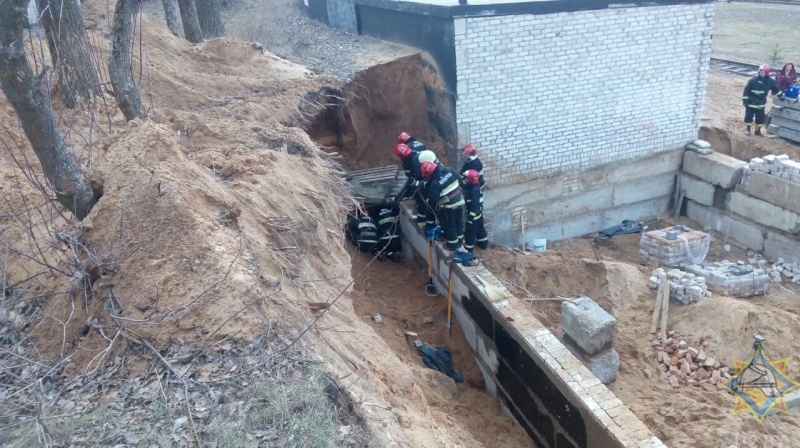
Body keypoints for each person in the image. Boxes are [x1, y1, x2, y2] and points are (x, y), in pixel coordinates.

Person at [421, 161, 465, 251]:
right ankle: (460, 241)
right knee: (458, 222)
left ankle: (452, 245)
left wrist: (429, 206)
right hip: (460, 202)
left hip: (448, 207)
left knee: (450, 226)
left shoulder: (435, 184)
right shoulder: (450, 170)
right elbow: (460, 181)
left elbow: (433, 200)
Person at [742, 64, 785, 136]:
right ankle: (748, 130)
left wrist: (781, 96)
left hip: (760, 104)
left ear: (767, 73)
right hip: (751, 103)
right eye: (760, 71)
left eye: (763, 72)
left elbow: (776, 89)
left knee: (760, 118)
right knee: (749, 117)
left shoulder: (770, 81)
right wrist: (745, 101)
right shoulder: (752, 80)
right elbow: (746, 91)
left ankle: (757, 131)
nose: (761, 73)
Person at [394, 143, 427, 222]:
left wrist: (415, 184)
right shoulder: (409, 159)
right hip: (418, 180)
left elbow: (418, 177)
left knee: (420, 198)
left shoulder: (414, 160)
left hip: (424, 183)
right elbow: (410, 176)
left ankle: (423, 219)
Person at [462, 169, 488, 253]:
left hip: (474, 216)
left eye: (466, 178)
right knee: (480, 230)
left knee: (469, 234)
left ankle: (468, 251)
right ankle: (483, 243)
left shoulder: (473, 191)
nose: (465, 180)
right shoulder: (476, 186)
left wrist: (470, 218)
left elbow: (475, 206)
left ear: (470, 179)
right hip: (479, 215)